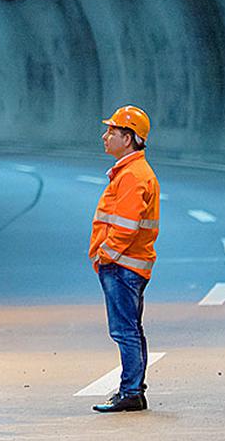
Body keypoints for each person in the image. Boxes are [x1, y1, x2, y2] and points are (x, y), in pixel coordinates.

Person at [90, 105, 161, 413]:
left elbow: (126, 226)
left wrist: (106, 255)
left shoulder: (132, 176)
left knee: (124, 330)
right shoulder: (129, 172)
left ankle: (131, 391)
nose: (106, 136)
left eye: (113, 132)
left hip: (123, 266)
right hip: (127, 265)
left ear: (129, 138)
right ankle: (133, 390)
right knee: (131, 328)